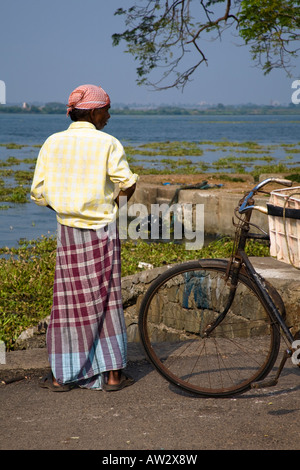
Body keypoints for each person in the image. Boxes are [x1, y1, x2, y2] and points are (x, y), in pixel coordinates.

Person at [31, 84, 138, 392]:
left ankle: (61, 376)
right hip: (102, 231)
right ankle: (113, 376)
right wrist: (118, 197)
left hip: (68, 231)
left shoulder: (53, 142)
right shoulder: (108, 143)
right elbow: (127, 183)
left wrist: (66, 206)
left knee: (67, 302)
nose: (108, 117)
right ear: (93, 112)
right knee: (105, 299)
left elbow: (39, 192)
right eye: (106, 111)